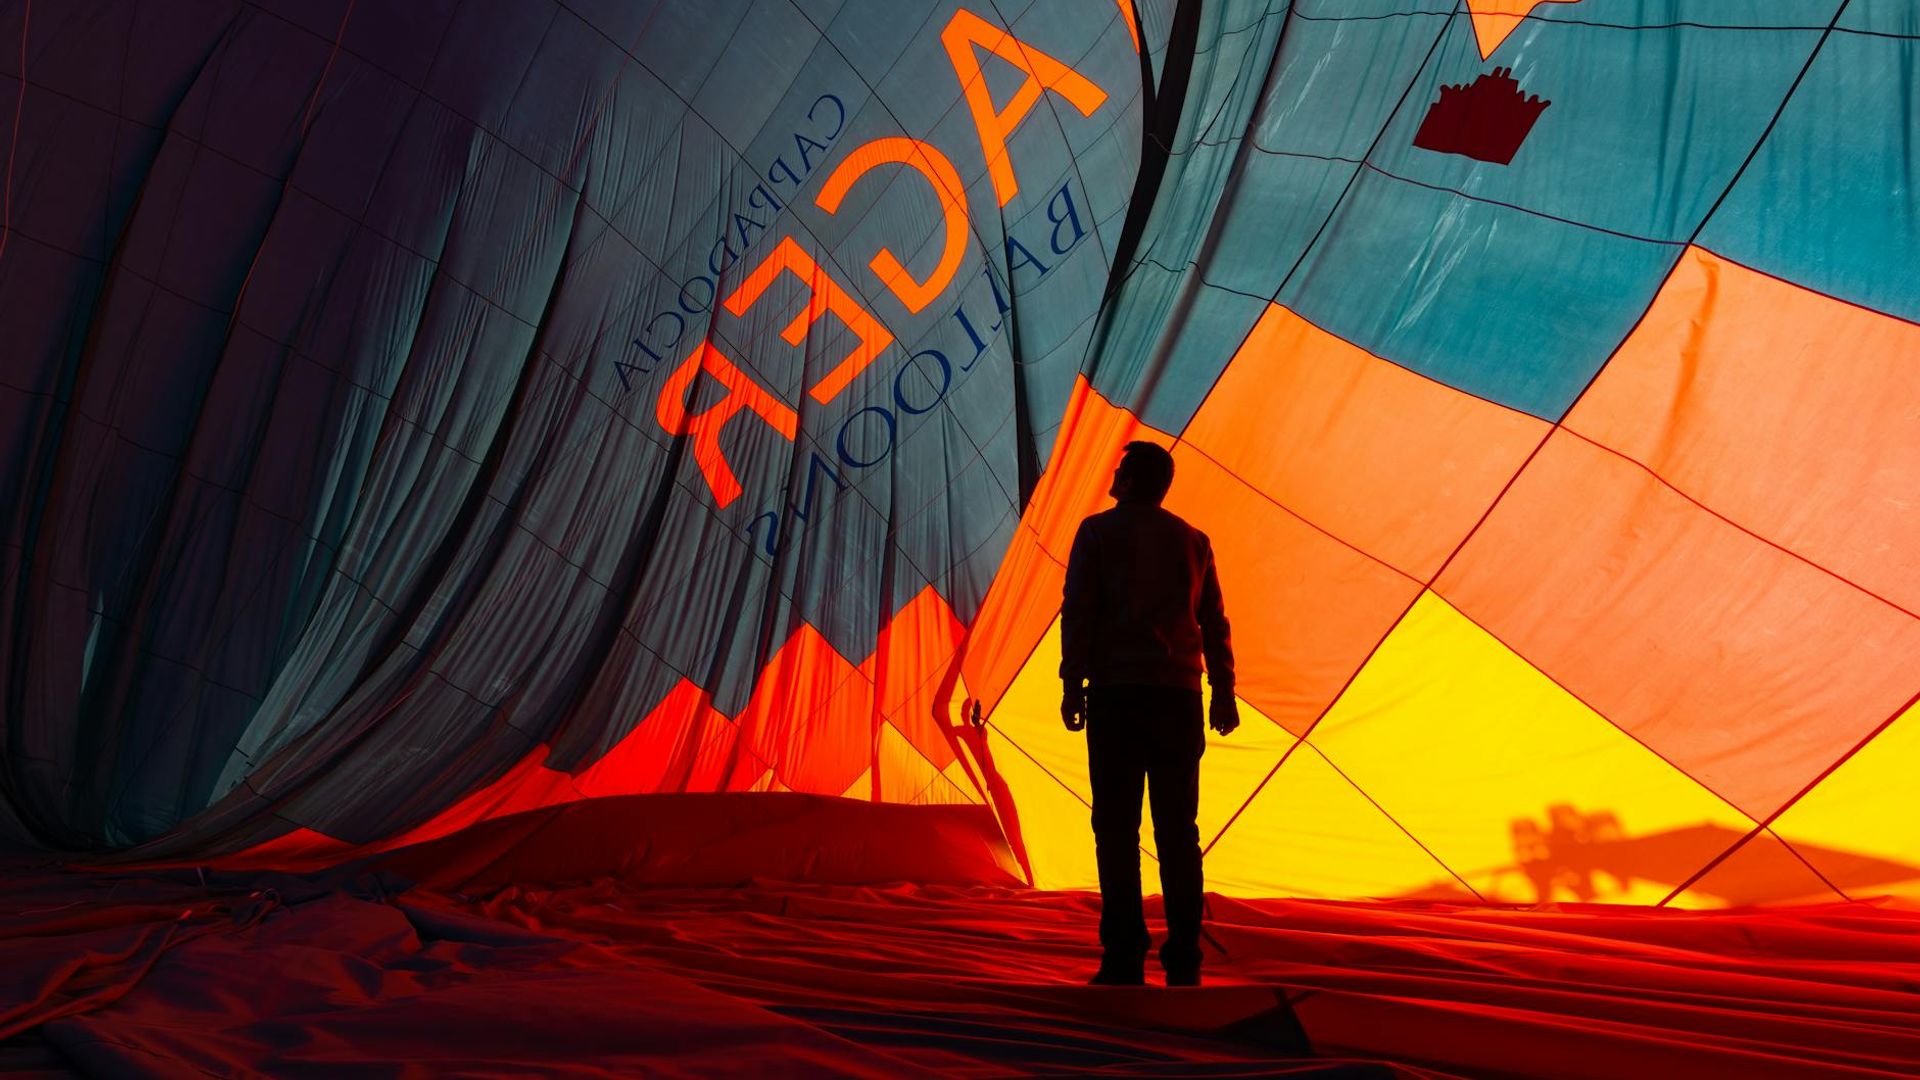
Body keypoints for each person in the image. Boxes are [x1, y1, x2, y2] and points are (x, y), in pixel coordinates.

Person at [1060, 440, 1238, 988]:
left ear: (1132, 481)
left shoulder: (1095, 534)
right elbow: (1215, 623)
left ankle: (1123, 958)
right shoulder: (1195, 541)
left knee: (1116, 829)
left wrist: (1072, 683)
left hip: (1118, 696)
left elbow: (1080, 610)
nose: (1113, 474)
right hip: (1179, 699)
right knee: (1178, 831)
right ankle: (1185, 958)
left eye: (1120, 470)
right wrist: (1223, 690)